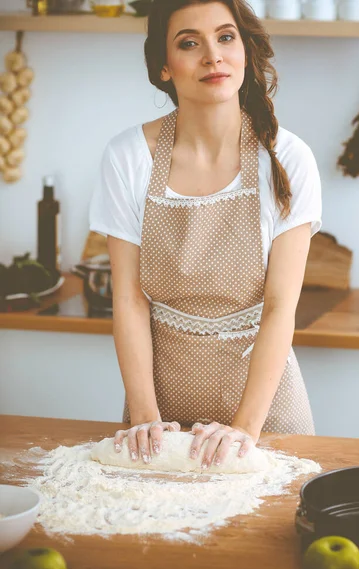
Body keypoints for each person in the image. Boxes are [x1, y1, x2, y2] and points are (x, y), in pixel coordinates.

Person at [89, 0, 322, 470]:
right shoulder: (128, 157)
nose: (212, 56)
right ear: (163, 66)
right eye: (189, 43)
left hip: (266, 414)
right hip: (159, 414)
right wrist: (145, 418)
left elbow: (280, 308)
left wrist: (244, 431)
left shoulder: (287, 159)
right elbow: (131, 300)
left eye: (226, 37)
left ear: (245, 51)